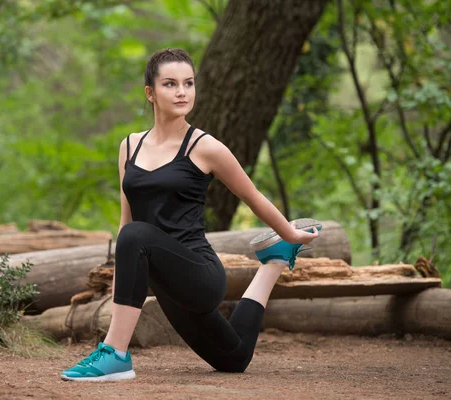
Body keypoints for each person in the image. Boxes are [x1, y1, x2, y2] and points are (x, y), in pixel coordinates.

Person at [61, 48, 319, 382]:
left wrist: (292, 233)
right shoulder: (130, 146)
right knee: (234, 357)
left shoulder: (204, 146)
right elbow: (127, 219)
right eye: (170, 84)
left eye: (189, 83)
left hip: (200, 276)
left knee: (136, 235)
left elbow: (251, 195)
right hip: (164, 279)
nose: (182, 91)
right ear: (150, 93)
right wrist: (118, 274)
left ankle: (115, 355)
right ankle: (274, 261)